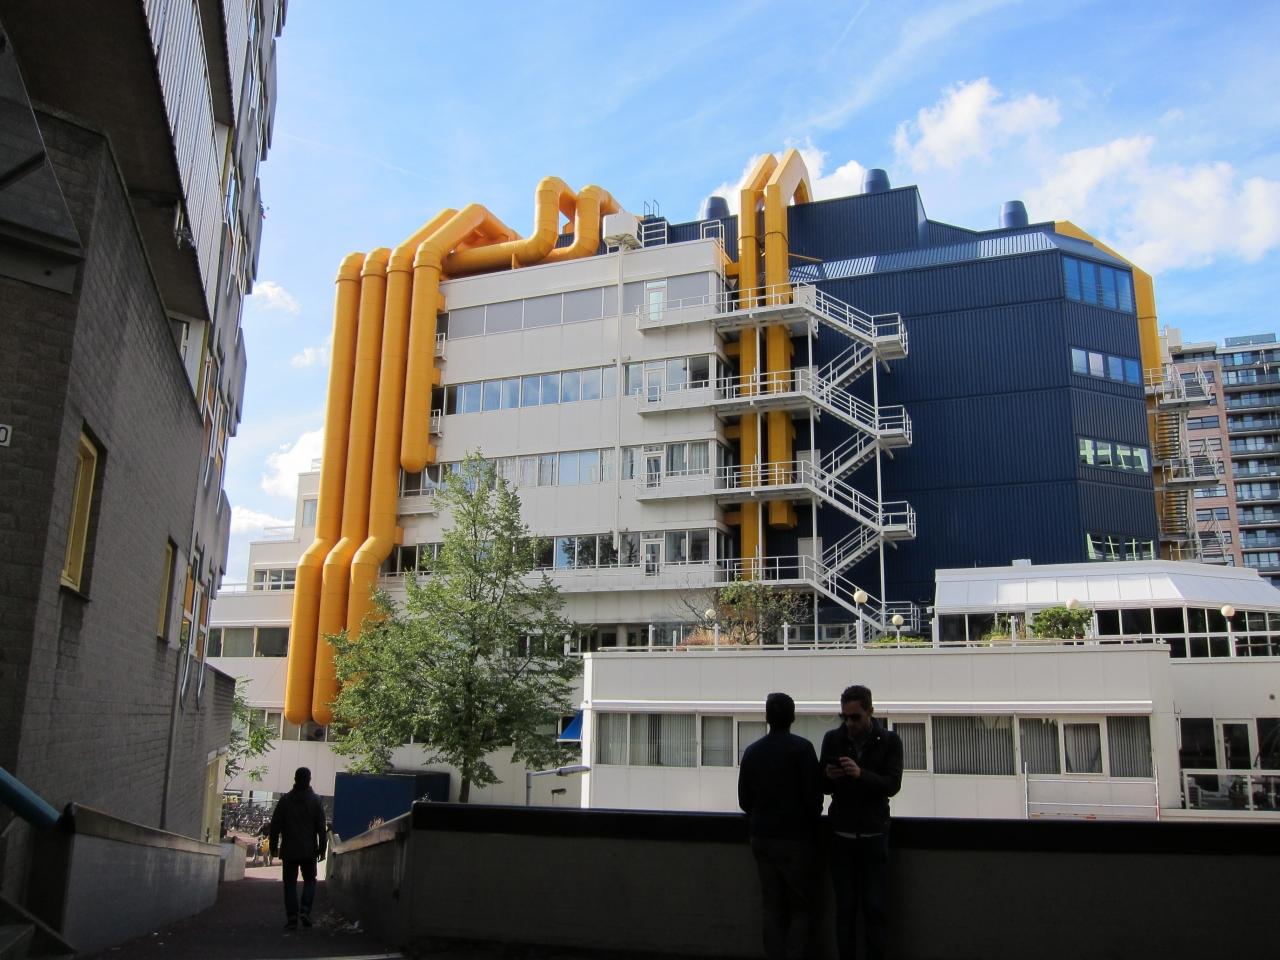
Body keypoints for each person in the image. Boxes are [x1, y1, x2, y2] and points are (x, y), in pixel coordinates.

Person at [738, 692, 823, 960]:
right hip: (796, 838)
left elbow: (744, 801)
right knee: (800, 907)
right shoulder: (803, 749)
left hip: (762, 836)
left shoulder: (753, 751)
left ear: (767, 717)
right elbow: (814, 799)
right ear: (793, 717)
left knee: (772, 906)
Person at [820, 684, 903, 960]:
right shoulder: (833, 739)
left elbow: (892, 784)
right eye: (845, 717)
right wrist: (828, 776)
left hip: (871, 834)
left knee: (873, 907)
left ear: (870, 712)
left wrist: (860, 774)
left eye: (855, 717)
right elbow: (821, 784)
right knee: (846, 908)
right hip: (844, 834)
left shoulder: (890, 741)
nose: (849, 723)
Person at [268, 767, 328, 930]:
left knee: (289, 883)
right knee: (310, 880)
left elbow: (275, 825)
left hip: (289, 849)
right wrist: (322, 849)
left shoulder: (285, 800)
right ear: (309, 779)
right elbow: (321, 828)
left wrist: (273, 847)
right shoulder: (316, 801)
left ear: (295, 779)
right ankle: (305, 910)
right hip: (309, 850)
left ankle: (292, 916)